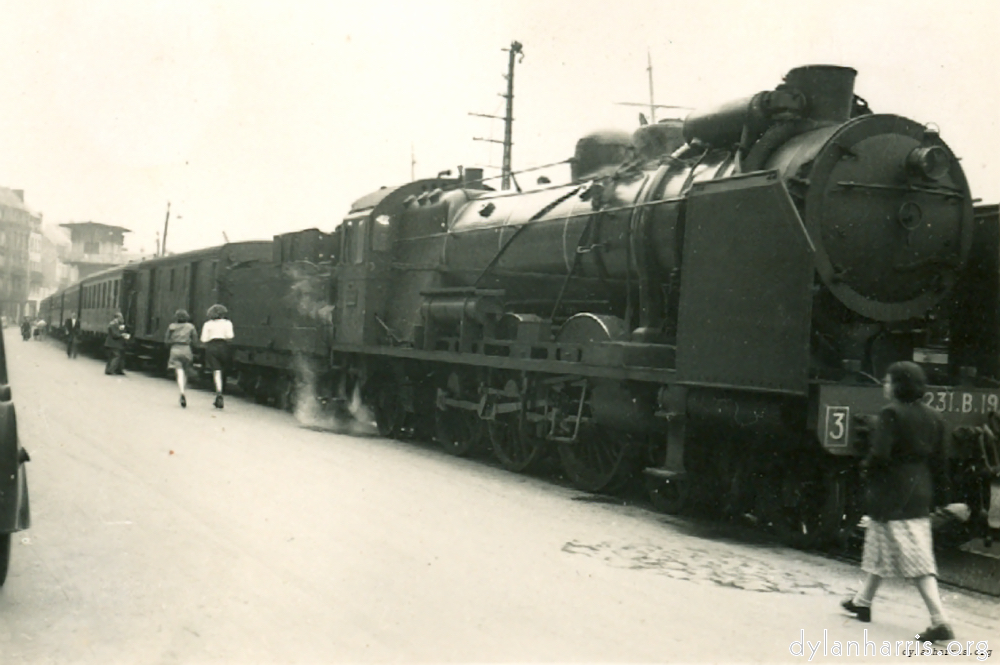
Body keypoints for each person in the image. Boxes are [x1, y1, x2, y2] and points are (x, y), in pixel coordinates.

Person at [841, 361, 954, 643]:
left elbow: (880, 455)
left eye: (888, 381)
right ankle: (862, 602)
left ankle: (940, 622)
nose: (885, 385)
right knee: (879, 545)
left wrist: (866, 471)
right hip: (919, 489)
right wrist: (942, 497)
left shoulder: (891, 413)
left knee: (917, 560)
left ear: (899, 385)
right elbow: (941, 462)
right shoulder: (935, 417)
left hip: (892, 492)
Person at [200, 304, 234, 409]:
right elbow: (230, 336)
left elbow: (203, 339)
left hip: (212, 347)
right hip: (224, 347)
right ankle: (223, 389)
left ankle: (218, 393)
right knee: (223, 370)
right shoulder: (228, 323)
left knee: (216, 371)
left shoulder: (207, 324)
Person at [165, 309, 198, 408]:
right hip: (186, 349)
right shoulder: (191, 327)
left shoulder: (171, 326)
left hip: (175, 349)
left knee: (179, 372)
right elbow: (195, 341)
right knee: (186, 371)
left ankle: (181, 392)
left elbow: (166, 341)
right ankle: (184, 389)